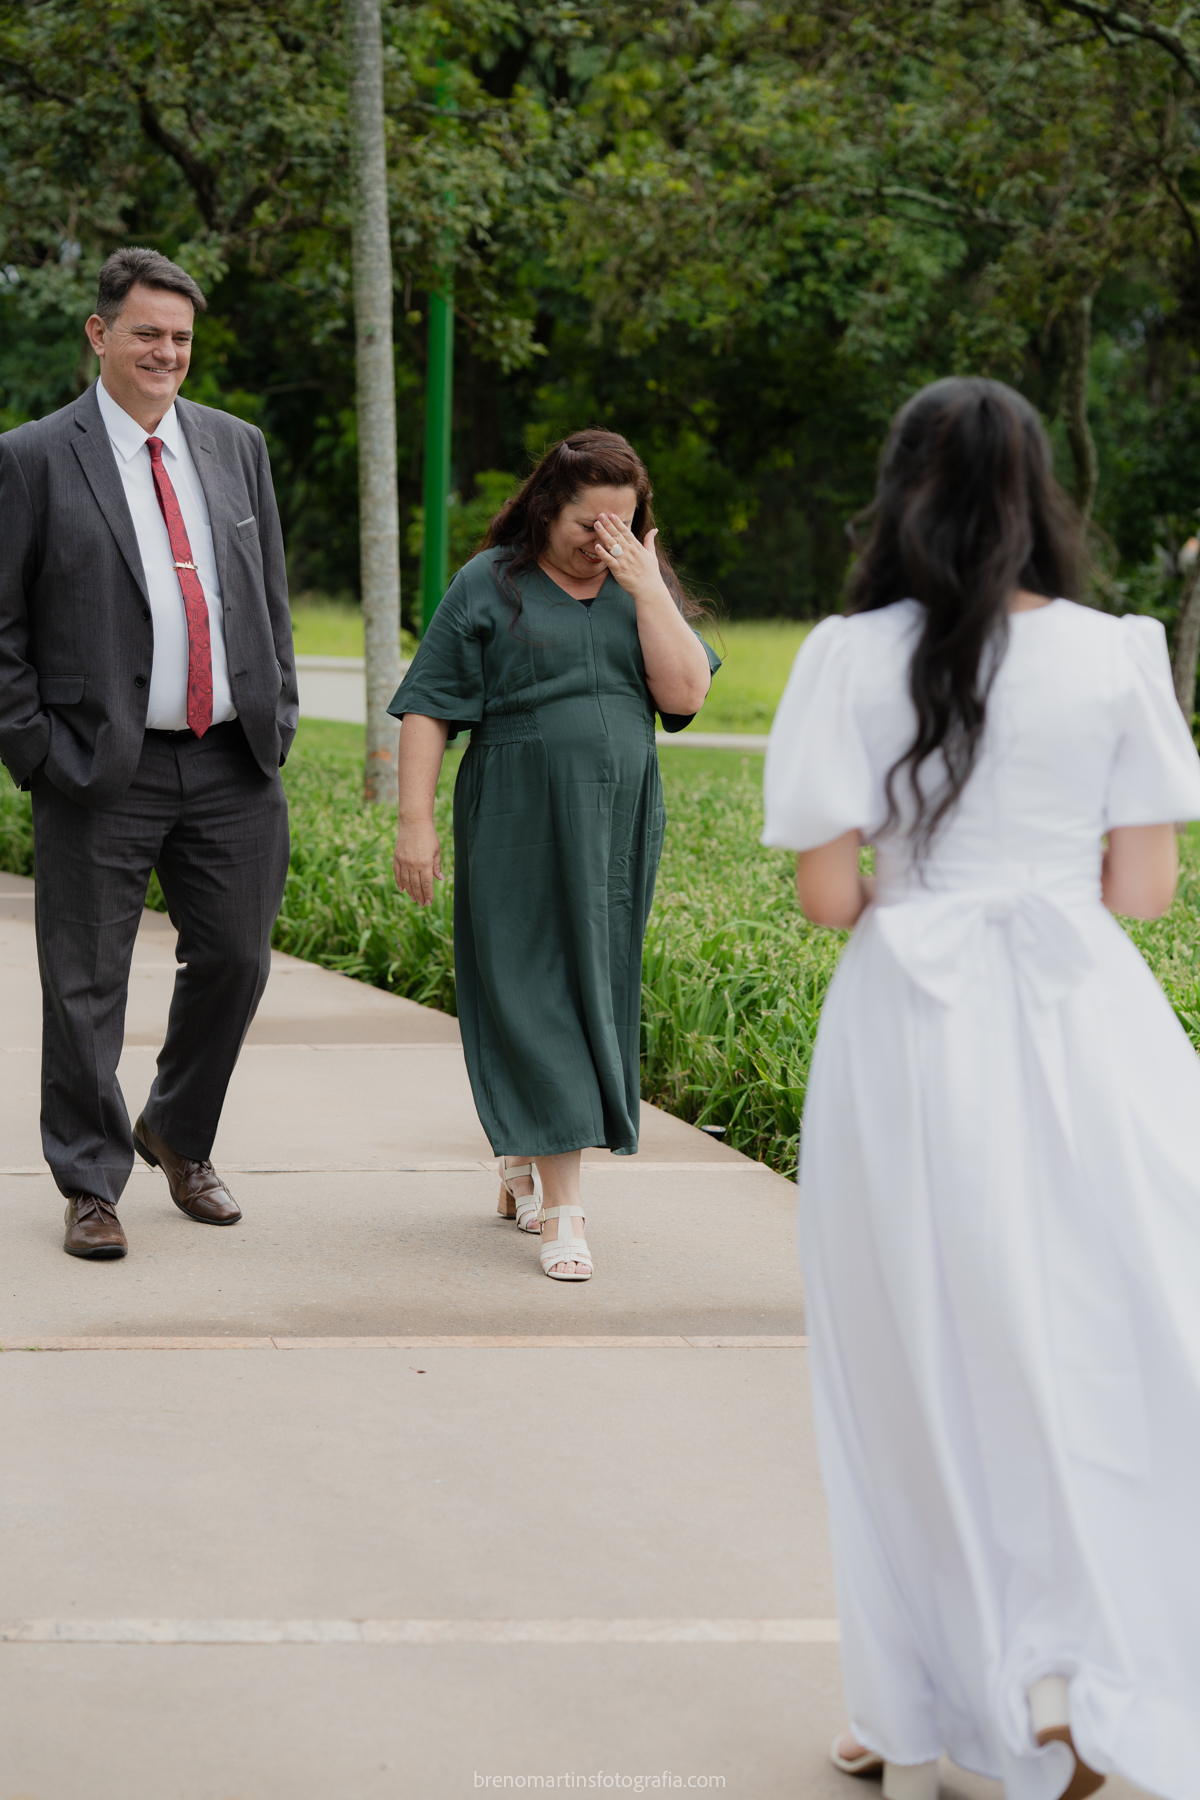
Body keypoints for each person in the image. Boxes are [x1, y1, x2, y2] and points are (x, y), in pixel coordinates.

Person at [763, 378, 1200, 1800]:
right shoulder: (1119, 653)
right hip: (1085, 1028)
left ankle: (920, 1702)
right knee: (1097, 1349)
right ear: (1037, 494)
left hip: (912, 1031)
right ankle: (1092, 1677)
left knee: (915, 1370)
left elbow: (831, 897)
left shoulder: (847, 658)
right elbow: (1144, 890)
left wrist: (938, 881)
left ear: (901, 494)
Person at [0, 247, 297, 1260]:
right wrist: (38, 748)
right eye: (147, 334)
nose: (167, 352)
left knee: (237, 960)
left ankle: (176, 1129)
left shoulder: (237, 445)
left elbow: (267, 595)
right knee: (84, 983)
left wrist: (278, 712)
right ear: (99, 334)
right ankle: (91, 1183)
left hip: (233, 760)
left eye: (181, 337)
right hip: (95, 767)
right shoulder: (34, 457)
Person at [390, 430, 718, 1280]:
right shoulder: (488, 581)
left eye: (623, 524)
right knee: (529, 987)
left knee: (589, 987)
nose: (604, 541)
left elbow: (685, 694)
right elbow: (429, 707)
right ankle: (565, 1211)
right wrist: (415, 823)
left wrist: (648, 588)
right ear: (546, 509)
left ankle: (522, 1157)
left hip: (615, 821)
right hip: (516, 813)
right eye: (588, 524)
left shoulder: (640, 585)